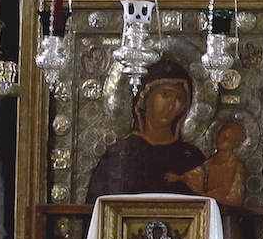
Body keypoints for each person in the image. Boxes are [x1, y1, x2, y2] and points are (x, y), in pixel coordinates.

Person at [87, 60, 206, 201]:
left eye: (180, 98)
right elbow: (97, 211)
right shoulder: (119, 155)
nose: (172, 106)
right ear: (145, 97)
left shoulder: (191, 158)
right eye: (166, 95)